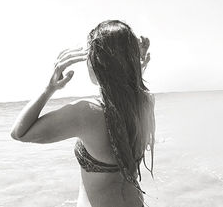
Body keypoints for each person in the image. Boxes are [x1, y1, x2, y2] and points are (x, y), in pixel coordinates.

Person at [10, 20, 155, 207]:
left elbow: (19, 133)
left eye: (89, 55)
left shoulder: (86, 114)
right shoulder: (146, 102)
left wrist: (50, 88)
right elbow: (127, 93)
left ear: (98, 63)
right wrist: (134, 66)